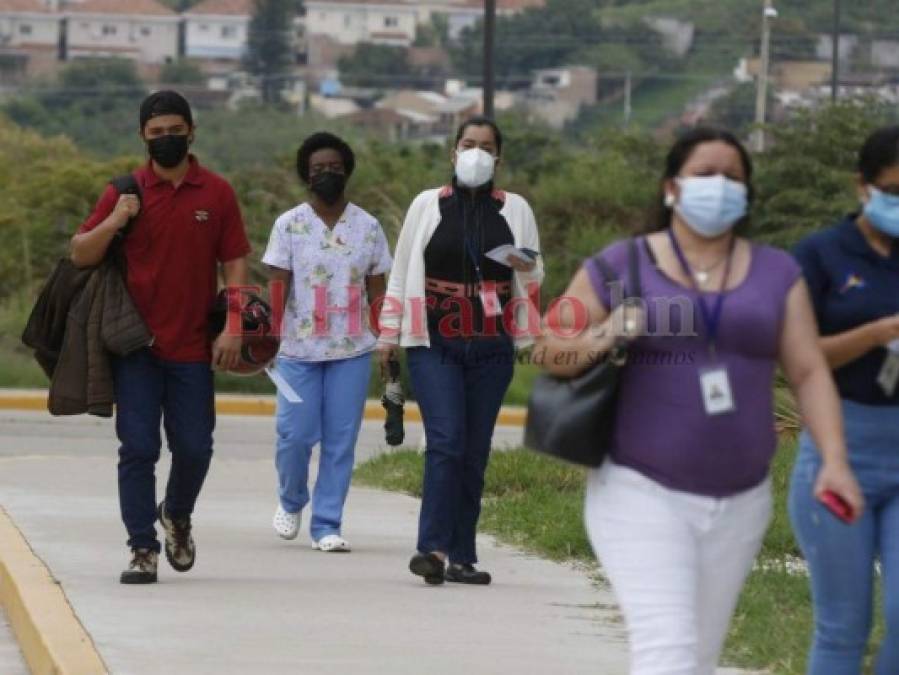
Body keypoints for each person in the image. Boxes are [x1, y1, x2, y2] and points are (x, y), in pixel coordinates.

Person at [537, 127, 863, 673]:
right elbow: (549, 350)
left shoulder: (777, 273)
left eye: (733, 177)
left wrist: (833, 461)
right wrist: (607, 334)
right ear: (671, 187)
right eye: (705, 174)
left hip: (742, 499)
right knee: (671, 653)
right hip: (639, 490)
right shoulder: (624, 264)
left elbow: (807, 371)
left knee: (700, 655)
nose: (720, 186)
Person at [70, 90, 251, 584]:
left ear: (192, 131)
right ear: (143, 137)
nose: (166, 139)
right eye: (157, 133)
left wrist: (235, 325)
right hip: (135, 348)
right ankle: (142, 548)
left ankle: (176, 511)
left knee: (195, 447)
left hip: (194, 346)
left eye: (175, 130)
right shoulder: (124, 191)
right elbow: (81, 253)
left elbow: (234, 261)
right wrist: (116, 218)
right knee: (138, 448)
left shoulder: (216, 192)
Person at [379, 116, 544, 585]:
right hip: (435, 339)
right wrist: (389, 334)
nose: (476, 153)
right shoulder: (427, 205)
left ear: (498, 157)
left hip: (492, 342)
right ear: (453, 153)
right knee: (446, 443)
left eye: (486, 146)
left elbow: (533, 274)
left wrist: (502, 255)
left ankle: (462, 555)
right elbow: (401, 269)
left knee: (474, 451)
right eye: (468, 144)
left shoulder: (515, 208)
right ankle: (430, 547)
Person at [788, 126, 899, 674]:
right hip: (839, 456)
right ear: (864, 186)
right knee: (843, 626)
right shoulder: (821, 254)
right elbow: (802, 359)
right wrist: (879, 333)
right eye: (894, 190)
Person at [263, 132, 392, 552]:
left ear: (347, 172)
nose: (327, 174)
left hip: (352, 349)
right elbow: (278, 285)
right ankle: (291, 498)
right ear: (306, 175)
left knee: (340, 441)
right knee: (294, 436)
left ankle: (327, 524)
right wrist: (267, 338)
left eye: (334, 168)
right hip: (297, 349)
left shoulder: (368, 227)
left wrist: (386, 338)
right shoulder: (289, 224)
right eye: (318, 169)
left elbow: (377, 290)